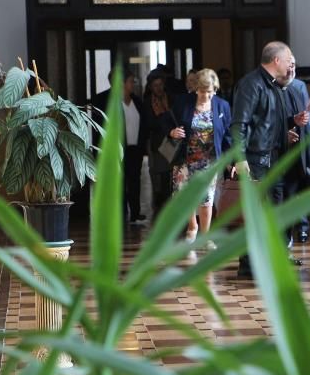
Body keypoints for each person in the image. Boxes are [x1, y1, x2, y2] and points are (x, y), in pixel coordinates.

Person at [231, 41, 305, 276]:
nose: (291, 63)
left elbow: (268, 121)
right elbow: (239, 123)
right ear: (276, 61)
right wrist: (239, 157)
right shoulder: (252, 84)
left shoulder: (276, 86)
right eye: (288, 59)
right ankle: (249, 266)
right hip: (256, 161)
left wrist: (289, 128)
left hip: (275, 159)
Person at [167, 69, 233, 247]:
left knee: (206, 198)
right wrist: (172, 132)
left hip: (209, 160)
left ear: (215, 90)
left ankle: (205, 236)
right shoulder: (183, 102)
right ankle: (192, 226)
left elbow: (227, 136)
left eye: (210, 92)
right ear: (196, 89)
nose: (206, 96)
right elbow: (167, 121)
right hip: (185, 158)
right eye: (203, 91)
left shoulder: (222, 106)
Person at [91, 68, 146, 224]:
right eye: (130, 81)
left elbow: (144, 122)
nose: (132, 84)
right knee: (119, 182)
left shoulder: (136, 100)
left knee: (135, 180)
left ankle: (135, 213)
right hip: (116, 150)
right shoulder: (103, 99)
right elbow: (99, 126)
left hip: (135, 148)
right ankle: (120, 215)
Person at [281, 61, 310, 245]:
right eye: (288, 64)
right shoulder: (270, 89)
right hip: (277, 155)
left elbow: (308, 122)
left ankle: (300, 230)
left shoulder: (299, 87)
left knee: (298, 192)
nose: (292, 68)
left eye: (294, 64)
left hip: (299, 153)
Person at [143, 72, 177, 221]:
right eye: (155, 85)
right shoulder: (147, 102)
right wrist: (163, 120)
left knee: (172, 173)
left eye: (160, 85)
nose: (158, 88)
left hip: (173, 141)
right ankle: (161, 205)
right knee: (159, 174)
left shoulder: (171, 98)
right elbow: (148, 123)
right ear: (150, 87)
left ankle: (171, 203)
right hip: (157, 143)